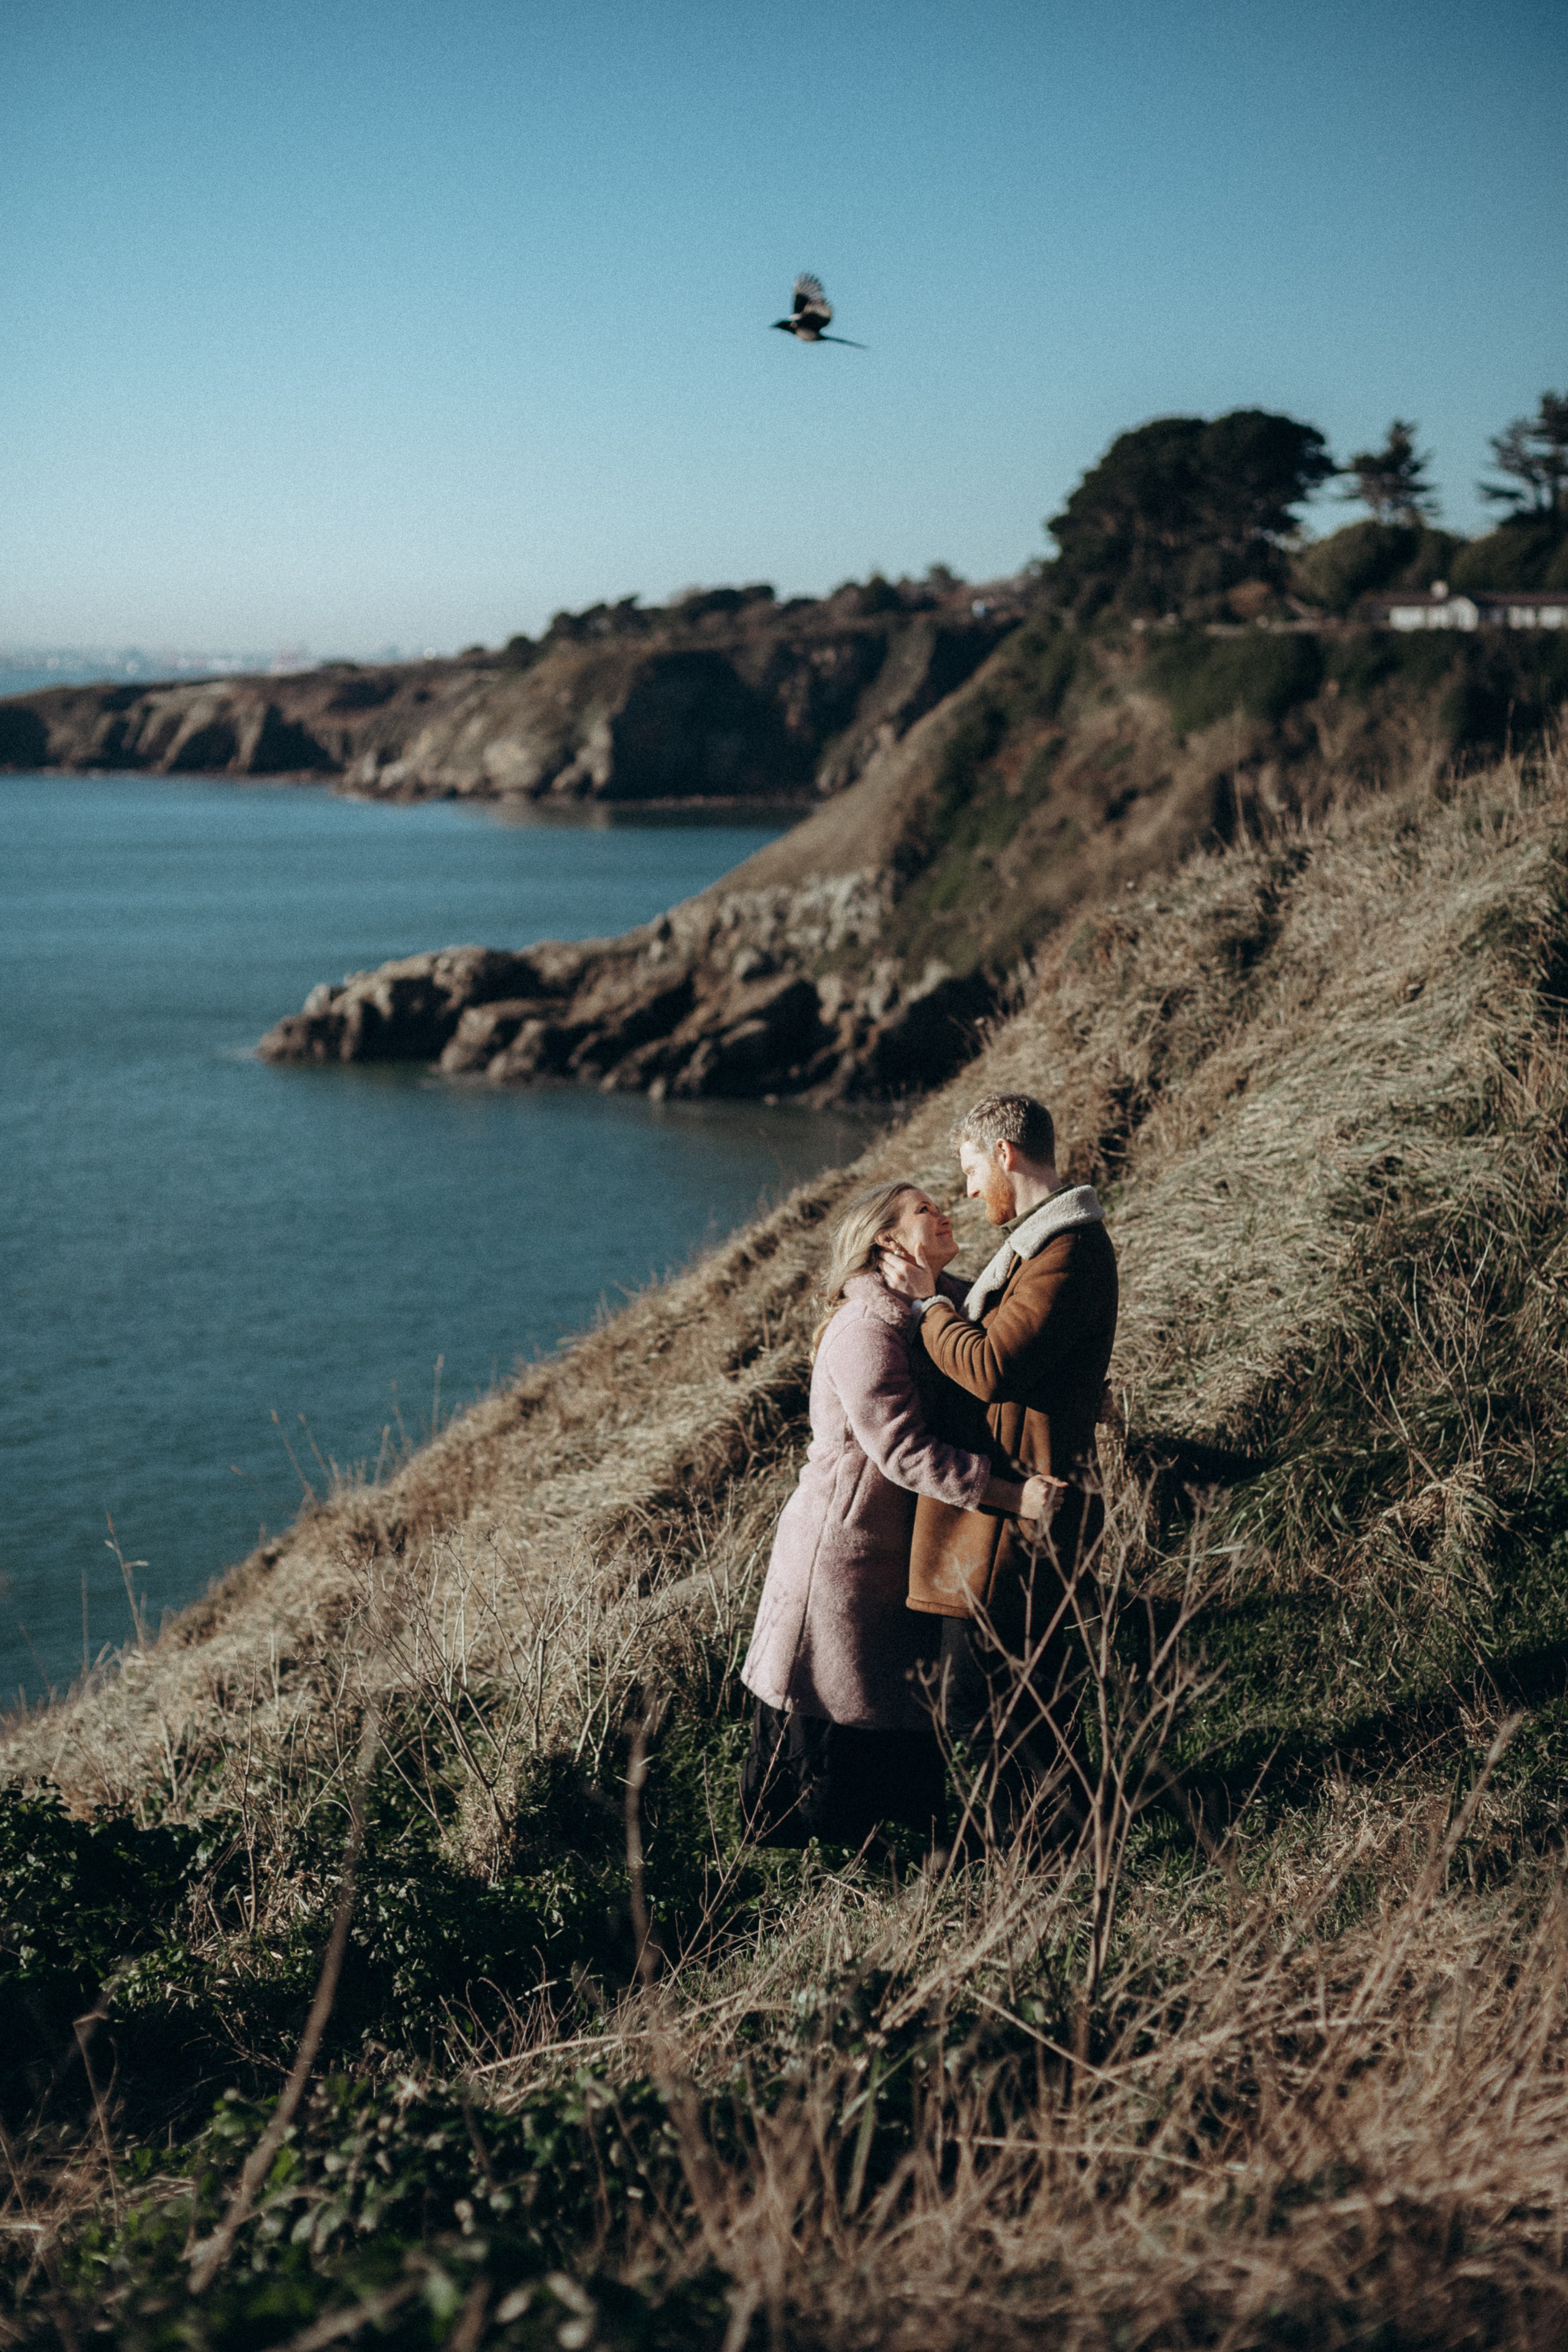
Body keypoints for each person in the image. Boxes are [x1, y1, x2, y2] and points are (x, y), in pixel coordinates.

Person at [739, 1177, 1056, 1850]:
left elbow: (995, 1337)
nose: (943, 1213)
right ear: (888, 1240)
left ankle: (894, 1860)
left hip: (891, 1549)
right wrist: (1010, 1496)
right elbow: (904, 1454)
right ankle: (814, 1878)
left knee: (881, 1707)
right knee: (828, 1712)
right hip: (841, 1556)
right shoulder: (865, 1328)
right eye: (924, 1210)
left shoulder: (928, 1305)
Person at [881, 1093, 1118, 1837]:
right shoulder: (1040, 1246)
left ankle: (1050, 1860)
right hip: (1015, 1507)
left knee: (998, 1710)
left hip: (1027, 1516)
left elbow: (988, 1365)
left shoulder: (1066, 1251)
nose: (967, 1188)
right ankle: (1055, 1853)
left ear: (1007, 1156)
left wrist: (926, 1306)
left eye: (971, 1167)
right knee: (1013, 1706)